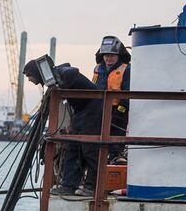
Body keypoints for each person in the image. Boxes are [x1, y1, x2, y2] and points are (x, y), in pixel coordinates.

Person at [25, 57, 104, 196]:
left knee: (89, 149)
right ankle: (68, 185)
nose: (29, 80)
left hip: (93, 109)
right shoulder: (54, 78)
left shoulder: (61, 73)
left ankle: (92, 187)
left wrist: (61, 88)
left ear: (37, 73)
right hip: (80, 111)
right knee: (73, 147)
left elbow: (72, 71)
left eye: (29, 75)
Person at [91, 36, 131, 164]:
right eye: (106, 55)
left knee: (116, 138)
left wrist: (120, 110)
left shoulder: (126, 69)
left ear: (119, 55)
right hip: (99, 109)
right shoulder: (98, 69)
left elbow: (128, 92)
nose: (109, 58)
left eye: (112, 55)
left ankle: (114, 158)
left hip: (118, 110)